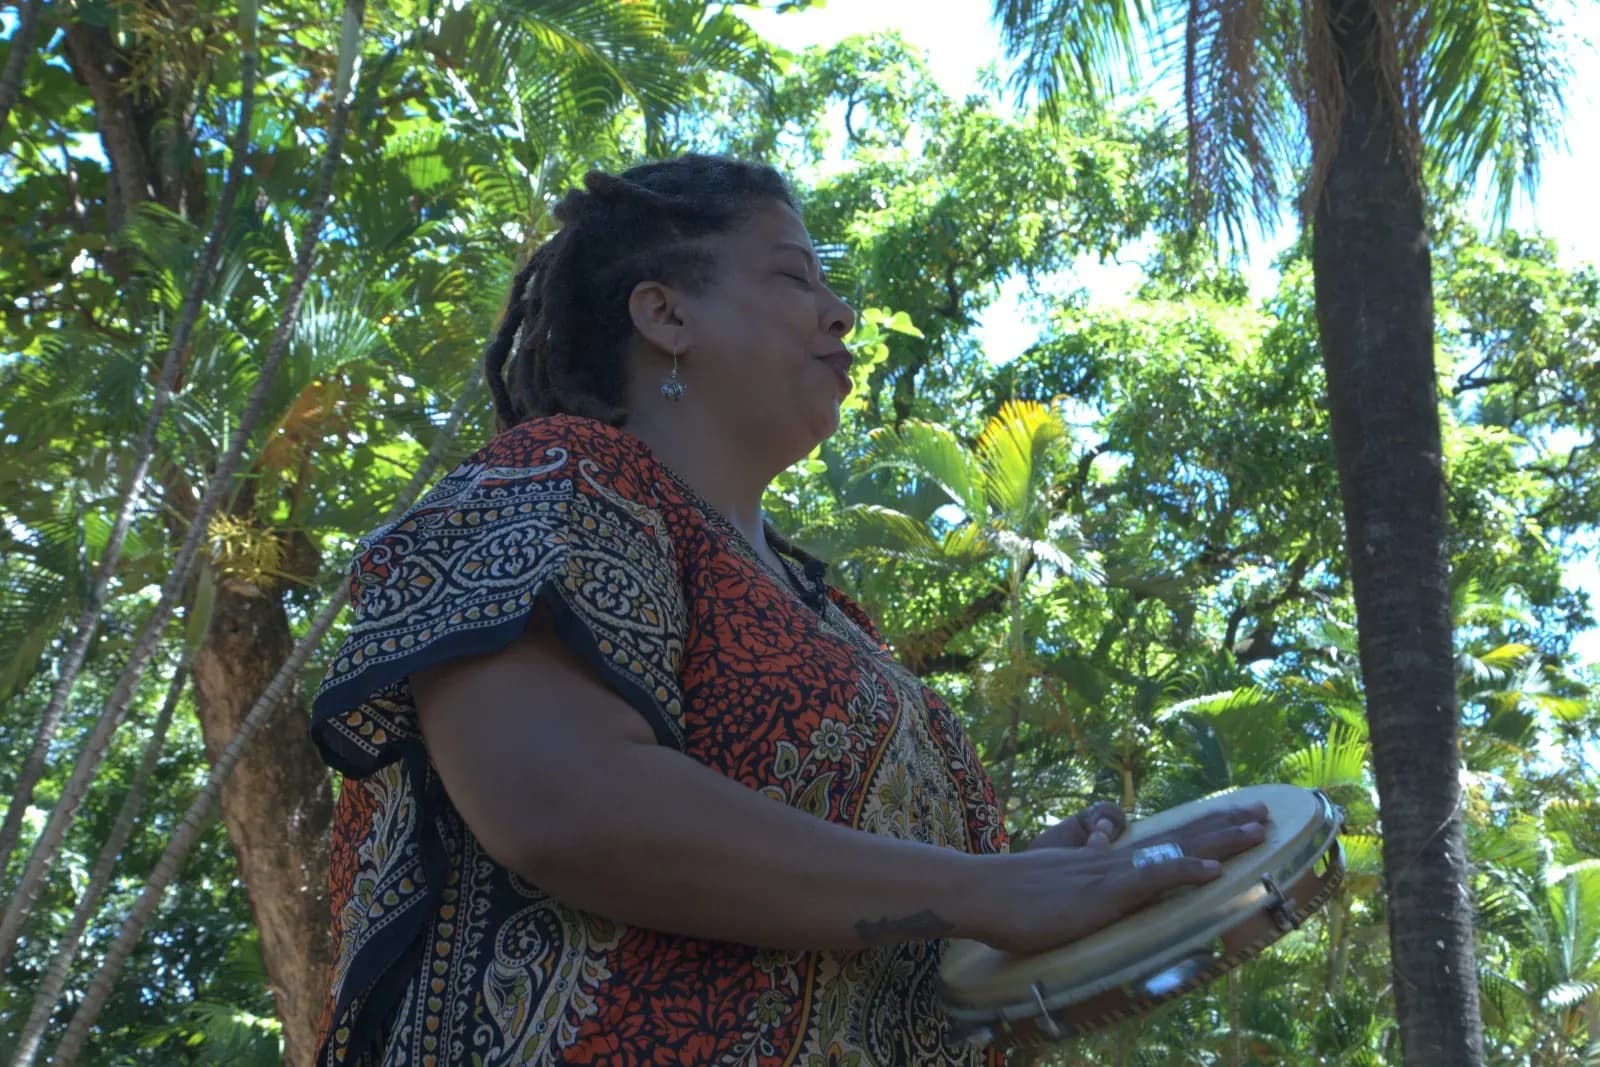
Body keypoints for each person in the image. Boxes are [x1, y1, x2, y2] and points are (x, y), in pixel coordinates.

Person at [308, 154, 1267, 1066]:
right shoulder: (556, 476)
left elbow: (886, 915)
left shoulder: (833, 609)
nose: (840, 312)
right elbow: (560, 802)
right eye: (795, 276)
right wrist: (983, 887)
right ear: (665, 314)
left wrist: (1033, 878)